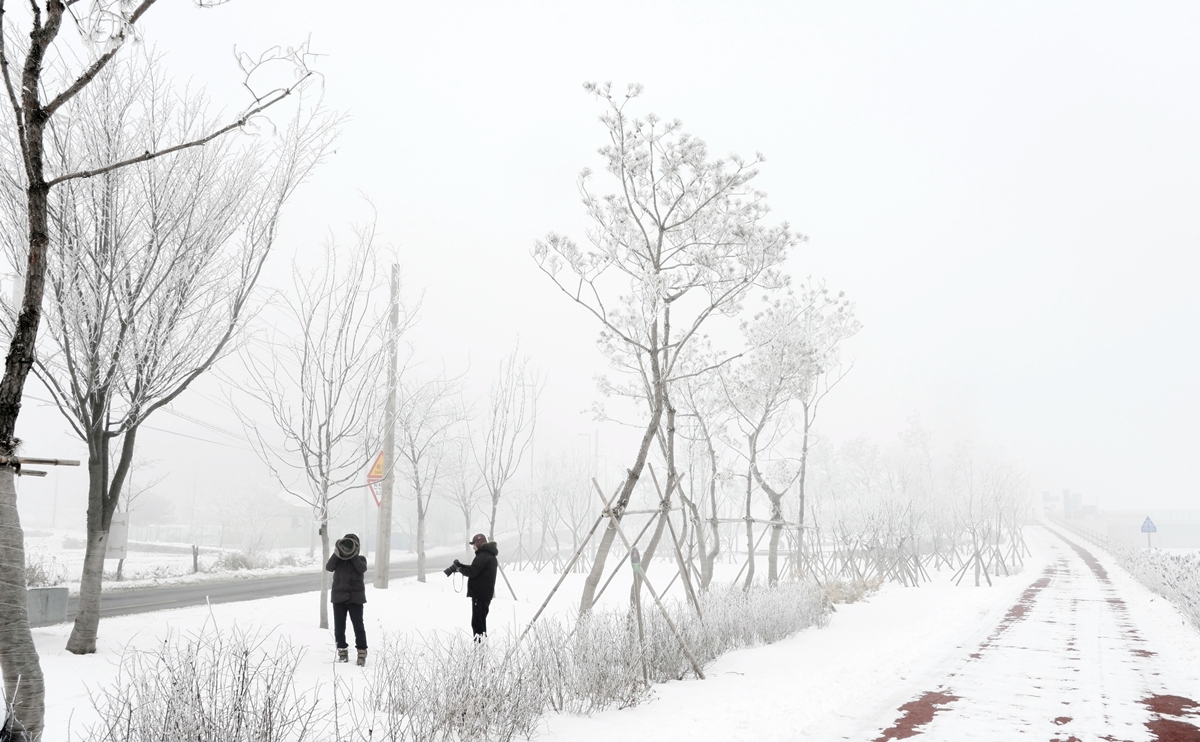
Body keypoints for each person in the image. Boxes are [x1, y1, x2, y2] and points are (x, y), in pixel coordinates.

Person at [325, 532, 368, 665]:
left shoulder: (361, 559)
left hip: (356, 599)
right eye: (346, 543)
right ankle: (342, 652)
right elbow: (329, 567)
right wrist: (338, 552)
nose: (348, 546)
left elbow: (361, 569)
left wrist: (353, 553)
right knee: (339, 628)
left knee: (358, 627)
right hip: (339, 598)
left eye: (351, 544)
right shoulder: (338, 559)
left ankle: (362, 653)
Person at [452, 533, 498, 639]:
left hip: (480, 595)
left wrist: (459, 569)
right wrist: (461, 566)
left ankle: (480, 648)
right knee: (480, 623)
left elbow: (472, 572)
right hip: (484, 595)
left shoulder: (483, 556)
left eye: (474, 545)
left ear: (478, 544)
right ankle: (481, 647)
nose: (473, 547)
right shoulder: (488, 555)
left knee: (478, 624)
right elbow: (476, 568)